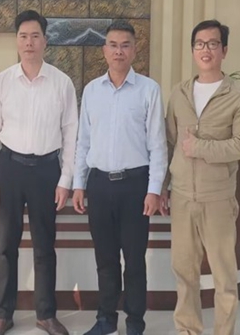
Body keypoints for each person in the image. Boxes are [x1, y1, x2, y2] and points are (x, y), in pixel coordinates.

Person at [0, 10, 78, 335]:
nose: (29, 42)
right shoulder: (2, 82)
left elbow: (71, 135)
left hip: (47, 171)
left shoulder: (62, 83)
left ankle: (46, 314)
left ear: (45, 41)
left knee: (44, 246)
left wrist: (65, 180)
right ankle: (2, 314)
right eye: (23, 36)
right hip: (9, 169)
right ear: (16, 41)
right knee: (6, 245)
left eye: (35, 36)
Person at [160, 19, 240, 335]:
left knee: (224, 276)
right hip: (182, 197)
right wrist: (162, 188)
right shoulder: (180, 93)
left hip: (218, 198)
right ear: (193, 50)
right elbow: (169, 143)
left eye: (213, 44)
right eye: (200, 44)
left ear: (224, 50)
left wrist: (200, 147)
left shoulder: (238, 95)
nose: (206, 49)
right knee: (184, 272)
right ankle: (187, 329)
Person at [72, 20, 168, 335]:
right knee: (106, 259)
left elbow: (157, 145)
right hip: (99, 185)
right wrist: (78, 184)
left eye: (125, 45)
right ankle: (106, 320)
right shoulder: (91, 91)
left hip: (135, 186)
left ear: (134, 50)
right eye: (113, 45)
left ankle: (135, 322)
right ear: (104, 50)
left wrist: (154, 189)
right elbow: (83, 142)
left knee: (135, 260)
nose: (119, 51)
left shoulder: (149, 90)